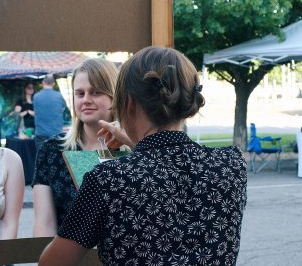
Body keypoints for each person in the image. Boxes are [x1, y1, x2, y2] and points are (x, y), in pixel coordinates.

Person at [38, 46, 248, 266]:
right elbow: (162, 159)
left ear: (128, 103)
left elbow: (51, 263)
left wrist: (134, 141)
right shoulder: (232, 164)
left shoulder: (107, 180)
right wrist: (134, 142)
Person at [32, 58, 118, 237]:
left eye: (95, 92)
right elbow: (44, 224)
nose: (86, 100)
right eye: (80, 93)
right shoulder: (51, 150)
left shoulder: (135, 150)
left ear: (114, 95)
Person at [32, 74, 66, 150]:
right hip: (57, 133)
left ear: (43, 82)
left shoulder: (36, 96)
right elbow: (63, 109)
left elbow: (35, 112)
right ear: (53, 84)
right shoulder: (59, 96)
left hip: (41, 133)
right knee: (56, 160)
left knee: (42, 160)